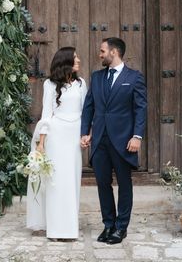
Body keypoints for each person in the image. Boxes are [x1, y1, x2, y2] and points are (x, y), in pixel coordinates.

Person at [80, 37, 148, 245]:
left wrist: (137, 136)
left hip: (123, 141)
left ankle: (121, 228)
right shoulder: (97, 77)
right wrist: (85, 132)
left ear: (114, 52)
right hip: (100, 140)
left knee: (124, 184)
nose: (100, 55)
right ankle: (108, 224)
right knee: (102, 184)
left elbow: (140, 108)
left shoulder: (134, 77)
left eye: (102, 51)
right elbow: (89, 107)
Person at [26, 47, 87, 240]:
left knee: (72, 180)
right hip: (56, 135)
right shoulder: (50, 85)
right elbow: (47, 114)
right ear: (66, 62)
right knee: (56, 182)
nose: (78, 61)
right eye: (75, 58)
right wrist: (41, 143)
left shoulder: (81, 83)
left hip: (74, 136)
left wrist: (86, 135)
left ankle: (69, 225)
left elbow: (86, 112)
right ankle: (56, 229)